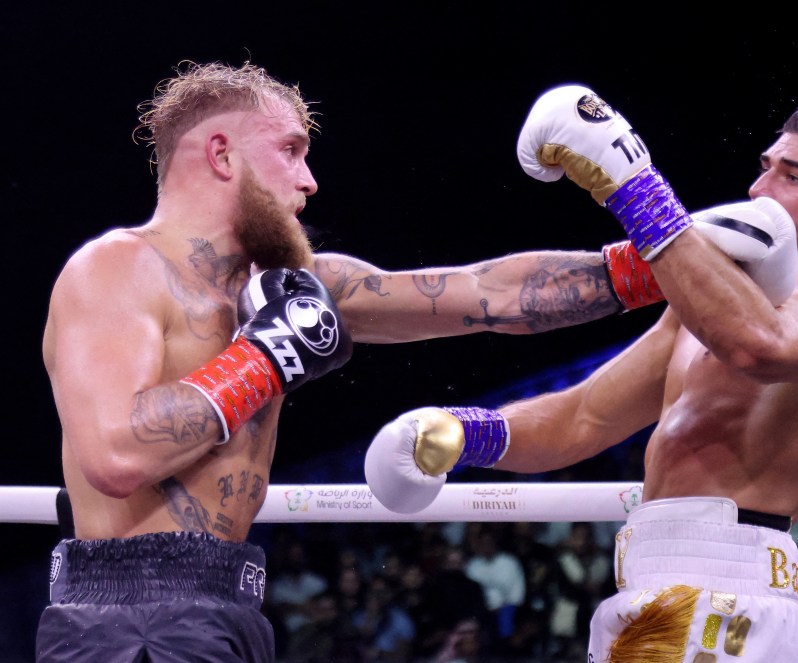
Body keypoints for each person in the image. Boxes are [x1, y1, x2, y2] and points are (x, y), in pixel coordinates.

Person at [33, 61, 681, 663]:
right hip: (127, 620)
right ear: (221, 153)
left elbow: (491, 295)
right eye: (289, 149)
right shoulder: (118, 269)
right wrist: (267, 354)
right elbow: (116, 455)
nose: (309, 180)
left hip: (230, 603)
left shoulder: (295, 284)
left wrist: (674, 259)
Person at [365, 83, 798, 662]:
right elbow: (583, 417)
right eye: (765, 168)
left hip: (724, 601)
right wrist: (463, 433)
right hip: (653, 590)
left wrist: (633, 184)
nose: (760, 190)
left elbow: (761, 347)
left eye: (793, 178)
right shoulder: (711, 305)